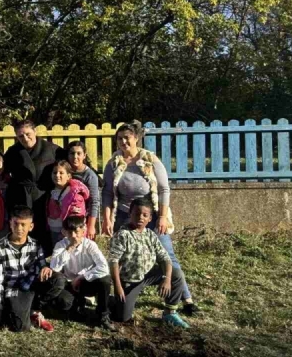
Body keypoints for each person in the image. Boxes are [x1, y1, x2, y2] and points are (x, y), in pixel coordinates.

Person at [101, 121, 198, 315]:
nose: (123, 142)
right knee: (119, 256)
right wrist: (106, 218)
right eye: (119, 139)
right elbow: (107, 193)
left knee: (167, 255)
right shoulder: (113, 163)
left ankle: (186, 299)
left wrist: (162, 216)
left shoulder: (149, 159)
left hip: (150, 214)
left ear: (136, 138)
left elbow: (164, 189)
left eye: (127, 138)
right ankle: (120, 293)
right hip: (124, 214)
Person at [108, 198, 190, 328]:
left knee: (176, 274)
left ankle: (170, 312)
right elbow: (113, 262)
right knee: (122, 317)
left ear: (150, 218)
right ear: (130, 215)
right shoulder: (122, 235)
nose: (140, 217)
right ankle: (111, 300)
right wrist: (118, 286)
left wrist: (167, 279)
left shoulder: (151, 235)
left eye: (145, 215)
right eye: (136, 214)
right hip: (130, 281)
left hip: (149, 275)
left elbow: (165, 258)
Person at [0, 206, 72, 332]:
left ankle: (35, 309)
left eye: (23, 225)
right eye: (16, 223)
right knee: (19, 326)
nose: (19, 228)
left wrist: (44, 267)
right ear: (10, 223)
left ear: (31, 226)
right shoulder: (0, 248)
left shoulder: (36, 245)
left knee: (60, 284)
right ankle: (19, 311)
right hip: (14, 290)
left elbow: (42, 266)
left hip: (32, 285)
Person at [45, 216, 114, 331]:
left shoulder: (90, 245)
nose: (73, 236)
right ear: (64, 232)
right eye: (70, 232)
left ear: (83, 231)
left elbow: (104, 267)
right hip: (69, 284)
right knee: (65, 303)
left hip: (85, 282)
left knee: (105, 280)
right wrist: (69, 248)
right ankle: (78, 303)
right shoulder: (60, 245)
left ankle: (103, 315)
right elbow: (54, 268)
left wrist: (82, 277)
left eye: (77, 232)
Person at [3, 120, 60, 244]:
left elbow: (70, 165)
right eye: (20, 136)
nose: (25, 138)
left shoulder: (51, 149)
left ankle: (43, 258)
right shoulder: (13, 151)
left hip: (44, 196)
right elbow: (1, 172)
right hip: (20, 197)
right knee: (23, 229)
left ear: (35, 131)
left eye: (28, 134)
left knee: (43, 231)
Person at [45, 161, 90, 255]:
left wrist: (67, 231)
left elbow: (78, 219)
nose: (57, 175)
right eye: (54, 172)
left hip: (68, 233)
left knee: (71, 256)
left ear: (69, 176)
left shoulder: (74, 195)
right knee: (58, 255)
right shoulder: (52, 192)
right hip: (54, 229)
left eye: (61, 173)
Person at [66, 141, 100, 240]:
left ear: (84, 155)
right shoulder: (64, 172)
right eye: (72, 153)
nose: (75, 157)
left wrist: (91, 226)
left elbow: (94, 202)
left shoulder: (90, 175)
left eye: (79, 153)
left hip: (82, 220)